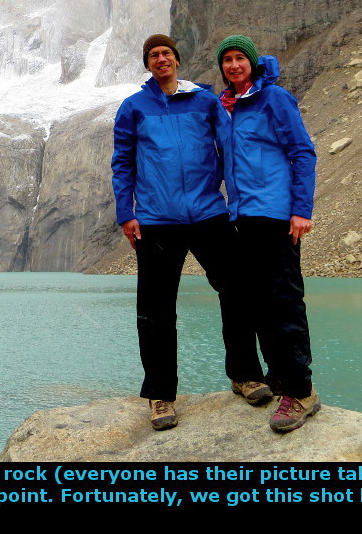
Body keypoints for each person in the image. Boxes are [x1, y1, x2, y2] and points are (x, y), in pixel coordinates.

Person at [111, 34, 258, 430]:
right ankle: (160, 395)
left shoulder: (205, 102)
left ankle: (245, 375)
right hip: (157, 220)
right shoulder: (133, 108)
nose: (161, 59)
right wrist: (126, 213)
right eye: (153, 55)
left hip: (209, 213)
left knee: (238, 291)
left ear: (177, 59)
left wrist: (235, 202)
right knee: (156, 310)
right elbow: (122, 163)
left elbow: (229, 149)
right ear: (148, 65)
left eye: (166, 53)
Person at [216, 34, 320, 433]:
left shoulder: (273, 98)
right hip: (242, 217)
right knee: (258, 303)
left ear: (252, 62)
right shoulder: (228, 107)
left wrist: (301, 210)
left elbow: (302, 152)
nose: (233, 65)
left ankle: (301, 391)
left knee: (284, 303)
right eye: (227, 60)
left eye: (239, 58)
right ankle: (279, 378)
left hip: (275, 215)